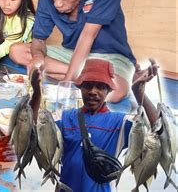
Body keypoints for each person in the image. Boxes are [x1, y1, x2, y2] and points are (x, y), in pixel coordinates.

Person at [29, 58, 159, 192]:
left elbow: (158, 131)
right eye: (88, 85)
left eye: (100, 87)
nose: (93, 91)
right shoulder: (65, 117)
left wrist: (139, 93)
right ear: (80, 88)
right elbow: (31, 130)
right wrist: (36, 94)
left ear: (108, 90)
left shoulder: (120, 122)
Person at [31, 0, 136, 103]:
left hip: (110, 57)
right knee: (18, 51)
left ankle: (79, 76)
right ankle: (90, 78)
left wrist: (66, 84)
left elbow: (88, 35)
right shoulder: (45, 0)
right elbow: (38, 40)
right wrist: (37, 56)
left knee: (117, 91)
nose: (57, 4)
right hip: (71, 54)